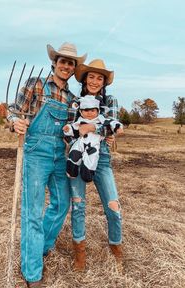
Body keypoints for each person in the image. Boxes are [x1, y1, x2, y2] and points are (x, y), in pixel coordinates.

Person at [7, 42, 87, 288]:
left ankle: (37, 246)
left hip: (60, 154)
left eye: (70, 63)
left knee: (62, 203)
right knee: (32, 211)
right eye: (62, 61)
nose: (66, 66)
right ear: (55, 63)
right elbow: (13, 111)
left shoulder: (74, 99)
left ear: (74, 69)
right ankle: (32, 273)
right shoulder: (36, 84)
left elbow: (77, 129)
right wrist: (15, 122)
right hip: (36, 152)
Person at [68, 59, 123, 272]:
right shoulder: (75, 101)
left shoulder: (110, 100)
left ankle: (116, 248)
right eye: (91, 76)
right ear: (84, 78)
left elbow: (111, 128)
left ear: (104, 82)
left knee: (113, 206)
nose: (94, 81)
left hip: (102, 159)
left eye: (99, 78)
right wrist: (85, 132)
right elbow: (72, 130)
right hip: (78, 156)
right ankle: (79, 253)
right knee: (78, 205)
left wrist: (89, 127)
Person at [63, 95, 122, 182]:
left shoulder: (101, 120)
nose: (89, 113)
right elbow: (74, 129)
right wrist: (68, 129)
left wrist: (117, 127)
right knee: (74, 154)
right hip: (80, 143)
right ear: (81, 111)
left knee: (91, 158)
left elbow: (112, 123)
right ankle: (71, 170)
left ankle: (87, 172)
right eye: (86, 110)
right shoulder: (79, 121)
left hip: (93, 145)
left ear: (98, 111)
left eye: (93, 110)